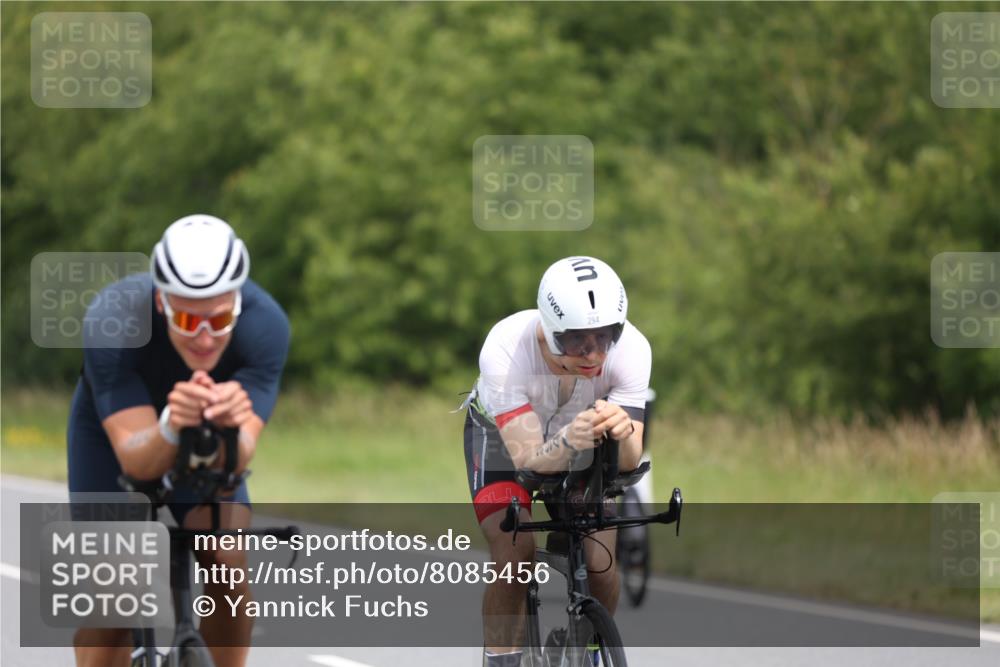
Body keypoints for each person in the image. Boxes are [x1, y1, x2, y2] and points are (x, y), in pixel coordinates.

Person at [67, 214, 290, 667]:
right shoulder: (113, 319)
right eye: (188, 318)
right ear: (161, 301)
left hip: (207, 435)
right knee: (117, 589)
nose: (205, 337)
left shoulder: (267, 326)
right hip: (113, 436)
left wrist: (233, 427)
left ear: (239, 303)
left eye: (220, 317)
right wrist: (171, 425)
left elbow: (239, 457)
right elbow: (138, 464)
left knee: (227, 565)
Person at [463, 256, 651, 667]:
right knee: (515, 554)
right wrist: (569, 440)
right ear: (548, 330)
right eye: (576, 341)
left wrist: (622, 432)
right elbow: (530, 460)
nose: (593, 353)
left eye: (606, 337)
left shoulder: (632, 349)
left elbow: (632, 459)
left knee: (600, 565)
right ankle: (502, 659)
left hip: (581, 438)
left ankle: (586, 649)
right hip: (504, 440)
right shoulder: (505, 349)